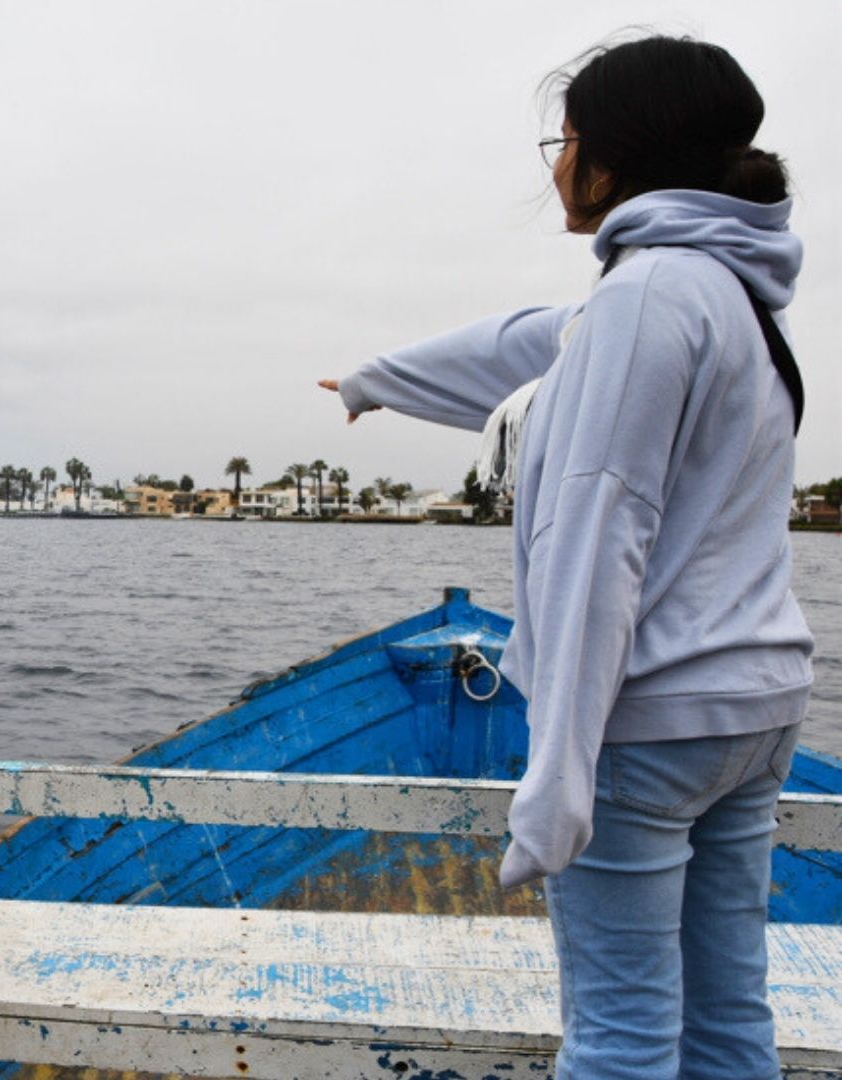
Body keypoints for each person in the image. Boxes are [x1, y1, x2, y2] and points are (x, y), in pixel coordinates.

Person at [320, 35, 813, 1080]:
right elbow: (527, 342)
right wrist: (377, 378)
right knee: (728, 1022)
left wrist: (556, 777)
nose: (555, 164)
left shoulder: (645, 299)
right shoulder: (727, 296)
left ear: (614, 154)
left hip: (649, 728)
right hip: (753, 710)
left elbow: (595, 533)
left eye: (567, 139)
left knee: (620, 1040)